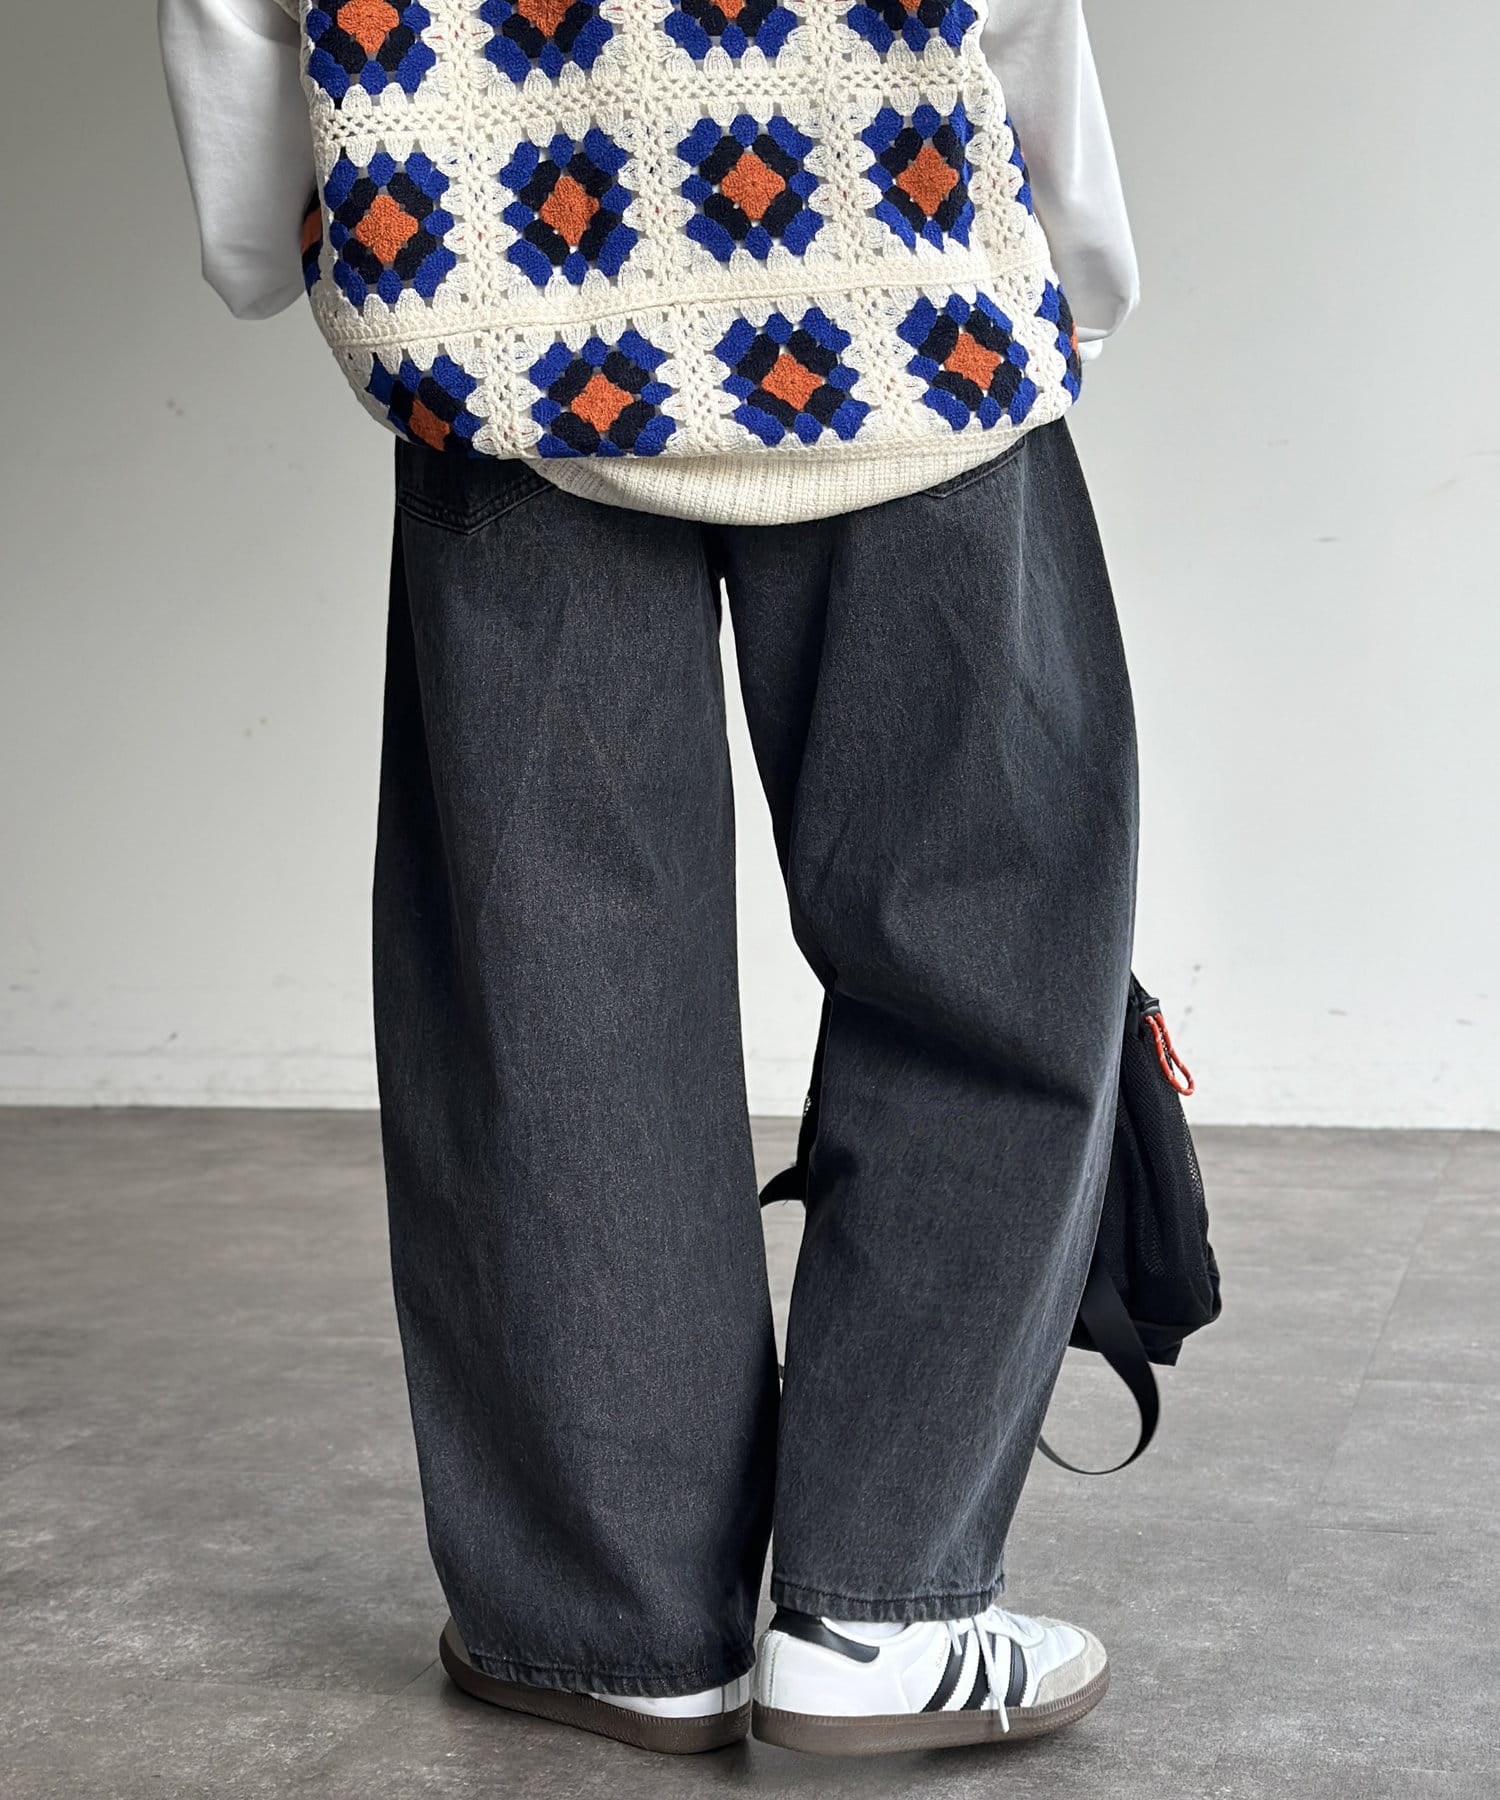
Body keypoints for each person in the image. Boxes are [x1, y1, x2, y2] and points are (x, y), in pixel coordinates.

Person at [160, 0, 1139, 1758]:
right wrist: (1073, 246)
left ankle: (612, 1624)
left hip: (499, 300)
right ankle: (885, 1607)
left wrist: (287, 226)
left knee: (552, 979)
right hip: (900, 280)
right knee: (988, 942)